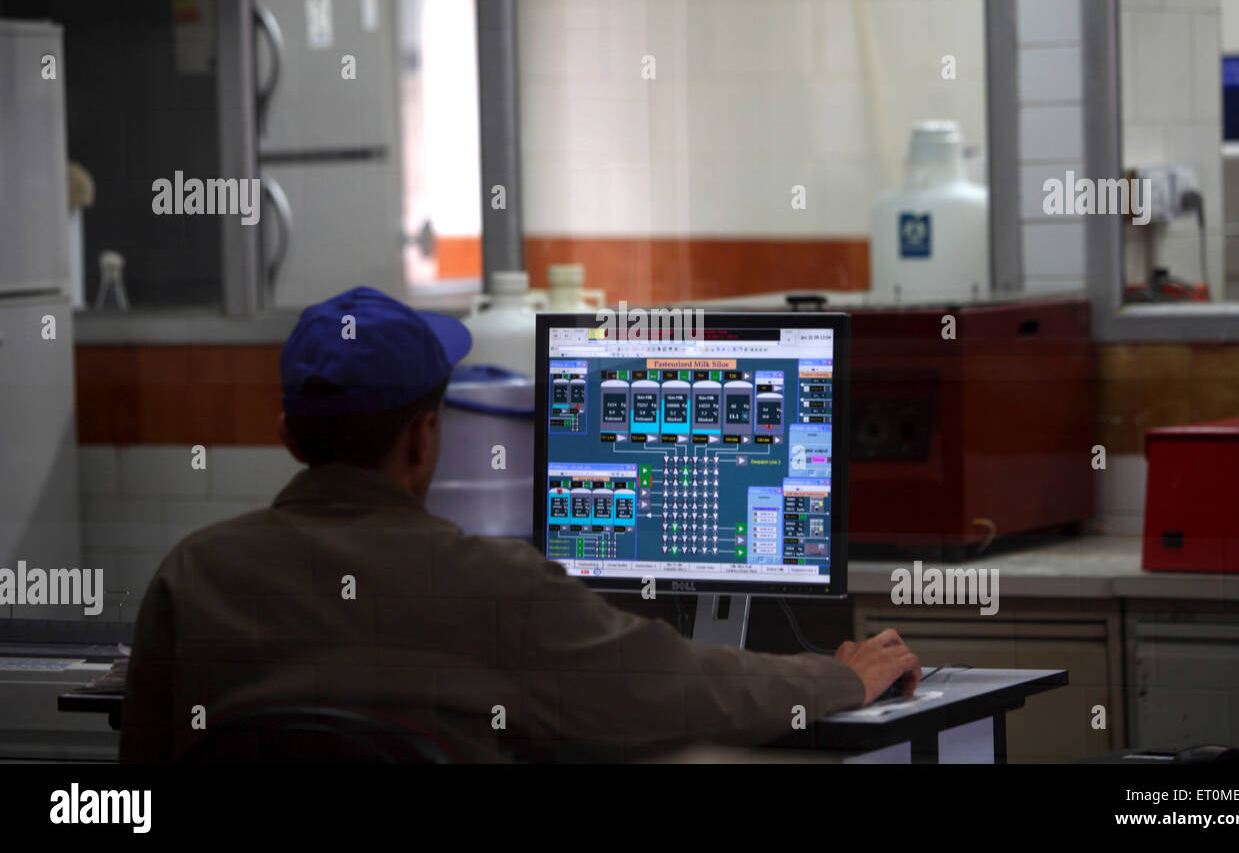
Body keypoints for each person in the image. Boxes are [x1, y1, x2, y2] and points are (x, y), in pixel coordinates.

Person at [120, 286, 920, 762]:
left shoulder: (195, 574)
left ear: (289, 435)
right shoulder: (488, 587)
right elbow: (672, 686)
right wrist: (840, 678)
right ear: (426, 435)